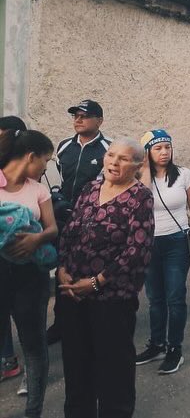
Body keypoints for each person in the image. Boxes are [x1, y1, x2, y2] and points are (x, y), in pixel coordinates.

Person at [57, 137, 154, 418]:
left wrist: (97, 282)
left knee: (113, 368)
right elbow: (71, 230)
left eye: (123, 158)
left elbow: (137, 250)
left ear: (137, 165)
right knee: (76, 365)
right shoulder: (90, 188)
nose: (114, 161)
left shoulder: (140, 197)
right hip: (73, 291)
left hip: (112, 298)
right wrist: (63, 268)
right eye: (111, 155)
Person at [135, 130, 190, 375]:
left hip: (177, 242)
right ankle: (156, 344)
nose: (164, 152)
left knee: (175, 296)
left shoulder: (184, 175)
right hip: (148, 244)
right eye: (157, 148)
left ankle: (174, 348)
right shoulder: (137, 177)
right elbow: (140, 204)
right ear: (147, 152)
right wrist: (144, 169)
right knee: (155, 298)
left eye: (167, 147)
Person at [0, 129, 58, 417]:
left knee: (34, 346)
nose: (46, 167)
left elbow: (52, 228)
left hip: (31, 278)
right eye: (45, 160)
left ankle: (33, 411)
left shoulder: (38, 189)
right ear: (31, 156)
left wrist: (37, 239)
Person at [49, 100, 111, 345]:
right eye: (75, 115)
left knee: (91, 271)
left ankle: (92, 322)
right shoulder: (64, 146)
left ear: (99, 121)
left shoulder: (108, 148)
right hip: (64, 220)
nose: (78, 119)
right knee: (62, 270)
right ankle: (61, 323)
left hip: (92, 222)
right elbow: (57, 179)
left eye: (84, 116)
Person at [0, 115, 28, 388]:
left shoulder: (28, 168)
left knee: (25, 313)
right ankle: (8, 360)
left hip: (22, 253)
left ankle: (32, 372)